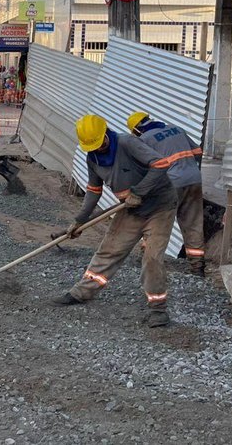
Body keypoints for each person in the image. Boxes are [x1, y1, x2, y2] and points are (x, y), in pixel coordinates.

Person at [52, 114, 178, 328]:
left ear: (105, 134)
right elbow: (93, 190)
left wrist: (139, 191)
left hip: (159, 206)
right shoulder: (93, 157)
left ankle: (158, 309)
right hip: (130, 210)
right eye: (92, 146)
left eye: (99, 143)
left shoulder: (127, 143)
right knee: (109, 250)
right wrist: (79, 220)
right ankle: (82, 293)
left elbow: (161, 164)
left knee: (152, 258)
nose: (97, 148)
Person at [128, 111, 206, 276]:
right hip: (194, 180)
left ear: (136, 130)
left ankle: (149, 261)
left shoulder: (144, 140)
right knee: (193, 223)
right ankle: (197, 268)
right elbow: (198, 153)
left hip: (170, 184)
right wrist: (187, 167)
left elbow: (143, 169)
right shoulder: (177, 129)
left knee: (157, 221)